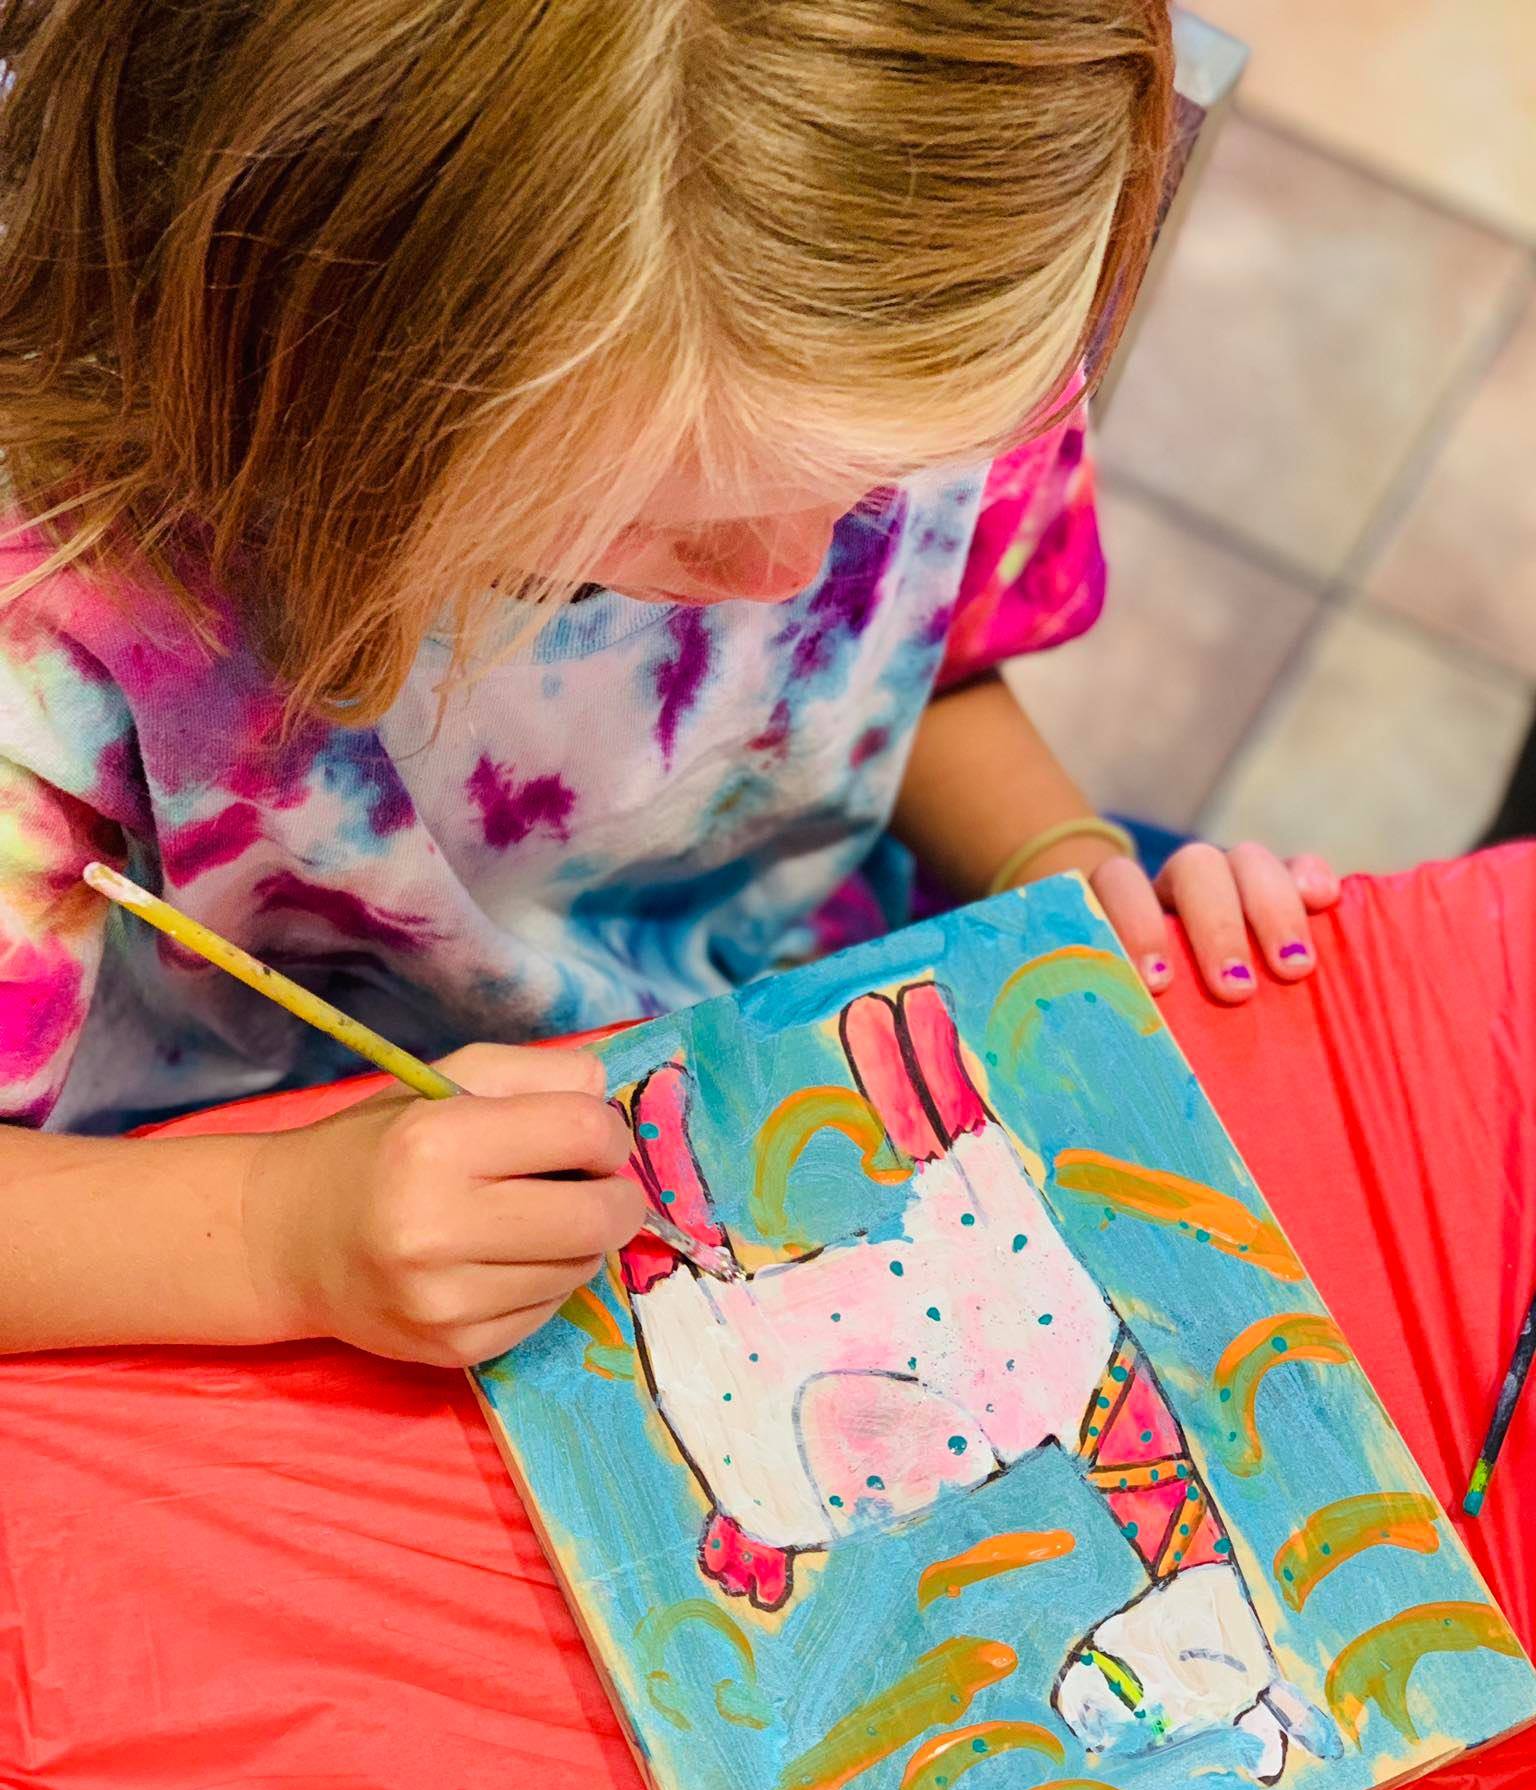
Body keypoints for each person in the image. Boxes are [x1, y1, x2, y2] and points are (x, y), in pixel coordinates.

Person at [0, 0, 1337, 1366]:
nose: (788, 574)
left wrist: (1056, 869)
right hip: (252, 1212)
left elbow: (922, 673)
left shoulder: (911, 298)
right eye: (658, 525)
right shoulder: (52, 612)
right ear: (318, 367)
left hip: (792, 999)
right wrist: (278, 1233)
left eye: (869, 495)